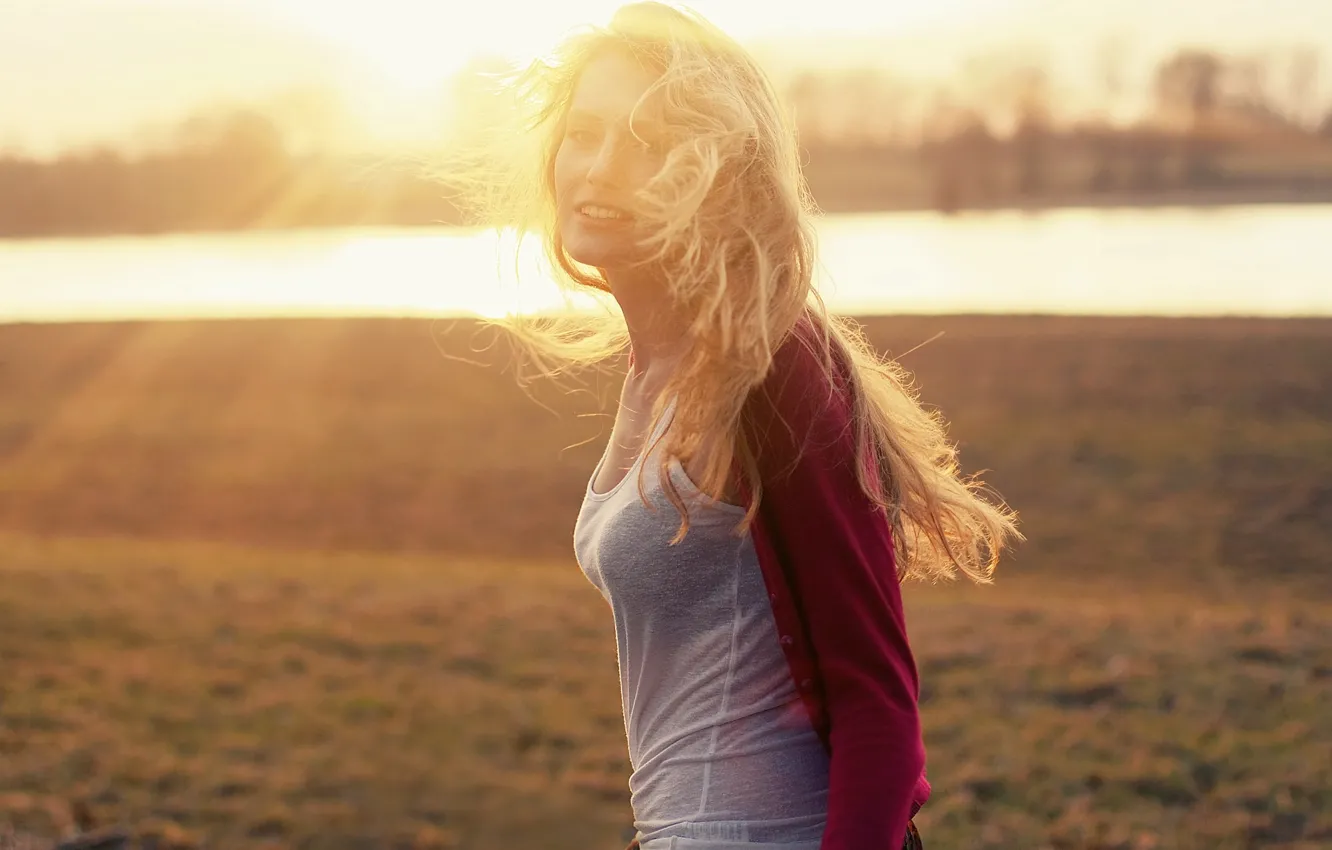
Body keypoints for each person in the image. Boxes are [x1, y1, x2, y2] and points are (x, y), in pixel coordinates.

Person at [439, 3, 1021, 849]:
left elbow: (878, 703)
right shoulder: (656, 371)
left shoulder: (770, 363)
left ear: (713, 171)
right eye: (585, 133)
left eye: (647, 144)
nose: (600, 168)